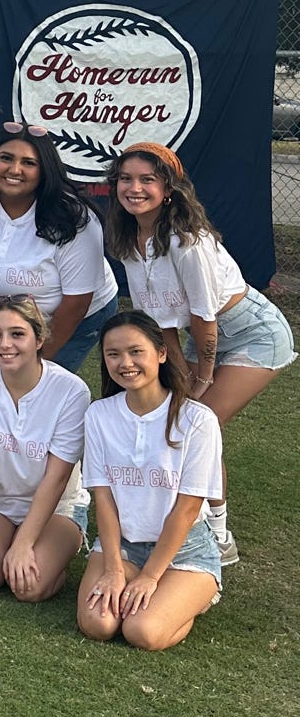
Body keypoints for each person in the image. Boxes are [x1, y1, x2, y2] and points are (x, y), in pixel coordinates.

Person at [106, 143, 294, 564]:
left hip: (252, 333)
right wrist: (174, 375)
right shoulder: (128, 238)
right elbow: (163, 323)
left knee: (197, 425)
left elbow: (205, 316)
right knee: (172, 413)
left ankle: (218, 537)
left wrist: (201, 379)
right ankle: (170, 522)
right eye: (126, 179)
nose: (134, 188)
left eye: (147, 180)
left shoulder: (185, 240)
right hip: (196, 334)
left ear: (168, 188)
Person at [77, 311, 224, 651]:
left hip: (183, 551)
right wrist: (114, 569)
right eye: (113, 354)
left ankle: (195, 596)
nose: (125, 363)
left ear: (161, 353)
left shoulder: (197, 420)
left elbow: (188, 509)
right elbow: (104, 498)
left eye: (135, 351)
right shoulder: (99, 415)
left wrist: (149, 578)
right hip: (122, 546)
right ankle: (146, 590)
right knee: (98, 624)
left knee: (142, 632)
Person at [0, 126, 119, 376]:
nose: (15, 170)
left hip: (69, 319)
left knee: (43, 394)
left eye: (28, 162)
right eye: (6, 158)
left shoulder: (75, 220)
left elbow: (76, 302)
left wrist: (36, 366)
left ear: (44, 170)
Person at [0, 295, 91, 601]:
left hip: (56, 508)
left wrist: (24, 543)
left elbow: (56, 479)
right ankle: (3, 542)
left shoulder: (71, 392)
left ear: (39, 339)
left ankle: (50, 559)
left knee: (28, 588)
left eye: (17, 334)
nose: (5, 344)